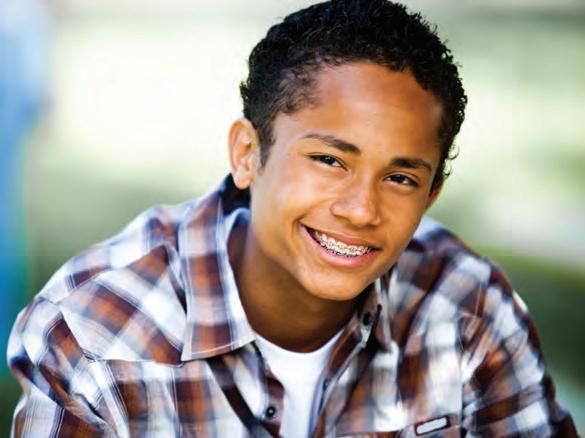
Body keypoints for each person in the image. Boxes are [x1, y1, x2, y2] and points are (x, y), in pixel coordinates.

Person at [7, 0, 577, 436]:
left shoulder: (468, 309)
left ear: (431, 195)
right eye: (329, 160)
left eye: (401, 178)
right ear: (246, 155)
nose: (361, 209)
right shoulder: (95, 336)